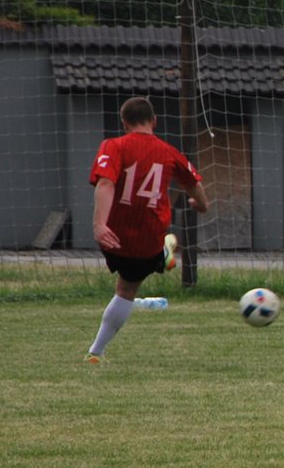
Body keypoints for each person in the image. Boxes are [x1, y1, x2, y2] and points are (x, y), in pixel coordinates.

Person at [86, 96, 210, 363]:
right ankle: (163, 252)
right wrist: (201, 204)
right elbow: (193, 182)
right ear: (154, 121)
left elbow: (105, 183)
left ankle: (96, 352)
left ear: (124, 122)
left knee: (124, 289)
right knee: (128, 290)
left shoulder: (113, 146)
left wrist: (99, 224)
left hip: (115, 236)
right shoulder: (168, 152)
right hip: (149, 237)